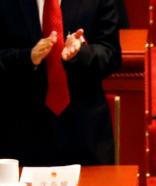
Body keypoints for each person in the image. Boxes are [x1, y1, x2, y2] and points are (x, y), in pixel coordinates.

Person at [0, 0, 122, 166]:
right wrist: (28, 57)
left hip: (85, 134)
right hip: (21, 134)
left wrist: (81, 53)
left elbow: (111, 55)